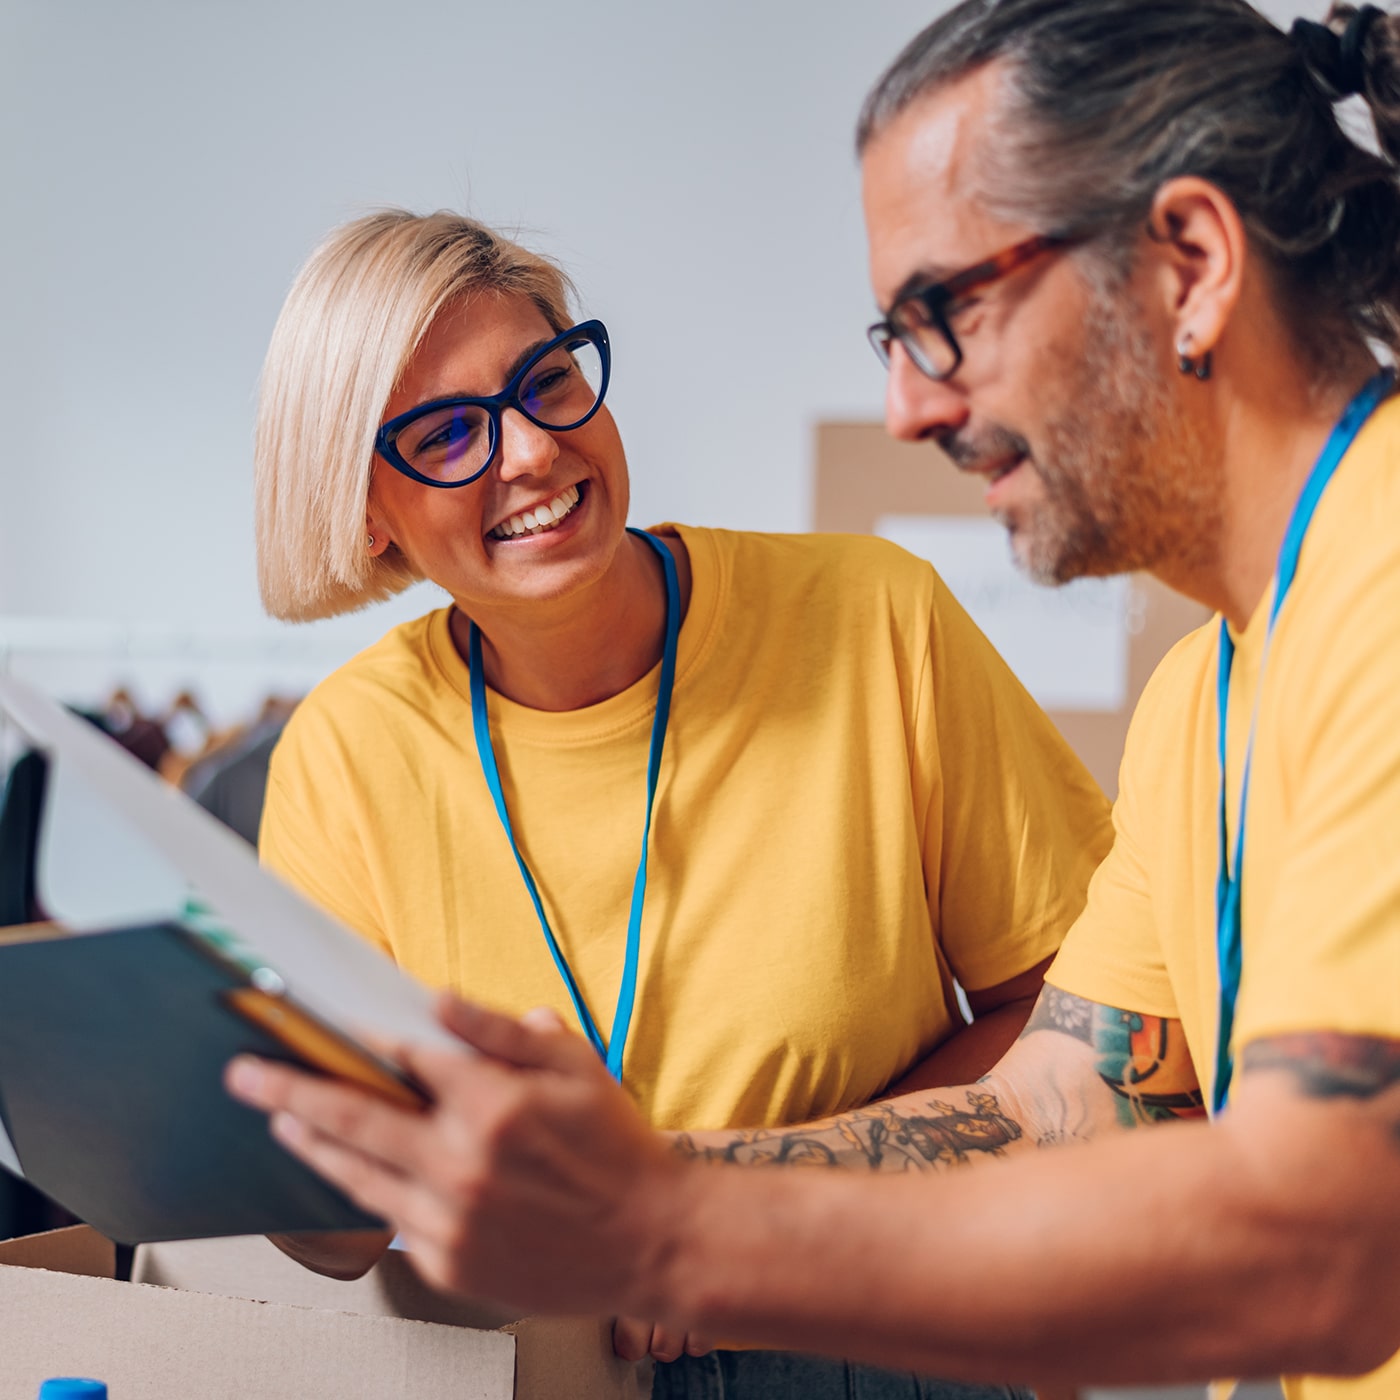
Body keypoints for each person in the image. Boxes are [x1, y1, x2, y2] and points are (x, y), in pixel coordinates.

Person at [226, 3, 1400, 1390]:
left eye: (943, 312)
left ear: (1192, 265)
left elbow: (1334, 1244)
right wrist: (638, 1187)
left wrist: (678, 1233)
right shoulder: (1209, 689)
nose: (906, 406)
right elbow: (1080, 1094)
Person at [246, 209, 1112, 1398]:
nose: (532, 452)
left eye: (547, 381)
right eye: (447, 432)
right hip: (535, 1351)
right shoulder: (344, 751)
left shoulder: (874, 619)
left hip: (877, 1323)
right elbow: (328, 1224)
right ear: (366, 510)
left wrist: (738, 1208)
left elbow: (1092, 1022)